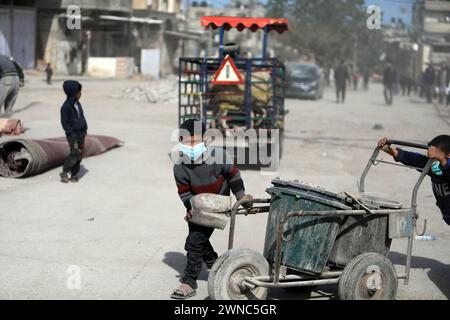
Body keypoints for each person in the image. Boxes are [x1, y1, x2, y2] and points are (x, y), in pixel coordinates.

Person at [171, 119, 253, 299]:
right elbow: (185, 193)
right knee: (195, 242)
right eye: (187, 142)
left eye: (195, 142)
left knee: (194, 242)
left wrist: (241, 197)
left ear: (206, 141)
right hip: (198, 207)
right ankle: (217, 266)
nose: (191, 146)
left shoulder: (220, 156)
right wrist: (190, 208)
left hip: (219, 204)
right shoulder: (180, 166)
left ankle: (189, 282)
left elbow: (233, 176)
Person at [378, 136, 450, 225]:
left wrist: (442, 160)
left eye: (436, 156)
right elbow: (410, 158)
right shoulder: (432, 166)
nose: (433, 161)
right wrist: (388, 149)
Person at [60, 80, 88, 183]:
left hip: (81, 133)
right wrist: (71, 133)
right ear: (72, 92)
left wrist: (85, 127)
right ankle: (65, 171)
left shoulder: (78, 104)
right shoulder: (65, 107)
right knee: (74, 153)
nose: (80, 94)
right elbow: (64, 123)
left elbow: (81, 116)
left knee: (80, 155)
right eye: (79, 92)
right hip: (73, 135)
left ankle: (74, 174)